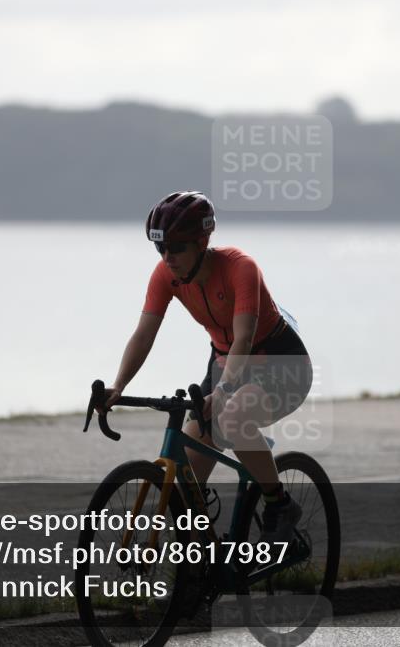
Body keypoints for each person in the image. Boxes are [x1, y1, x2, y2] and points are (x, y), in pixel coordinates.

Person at [100, 191, 313, 545]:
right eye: (160, 248)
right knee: (187, 480)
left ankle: (280, 504)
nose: (168, 258)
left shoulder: (240, 267)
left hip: (279, 362)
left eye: (177, 248)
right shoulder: (166, 275)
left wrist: (225, 390)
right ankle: (198, 580)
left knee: (233, 418)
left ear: (202, 242)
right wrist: (118, 386)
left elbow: (243, 339)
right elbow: (143, 335)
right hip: (225, 363)